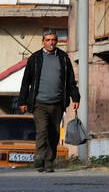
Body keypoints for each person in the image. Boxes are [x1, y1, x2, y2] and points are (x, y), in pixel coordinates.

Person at [17, 29, 80, 172]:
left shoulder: (63, 58)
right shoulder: (35, 58)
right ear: (43, 42)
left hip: (57, 104)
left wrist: (75, 97)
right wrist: (22, 101)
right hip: (39, 103)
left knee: (54, 133)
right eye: (48, 40)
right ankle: (39, 157)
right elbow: (26, 81)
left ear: (57, 41)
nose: (51, 43)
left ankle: (49, 161)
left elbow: (70, 81)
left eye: (53, 40)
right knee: (42, 130)